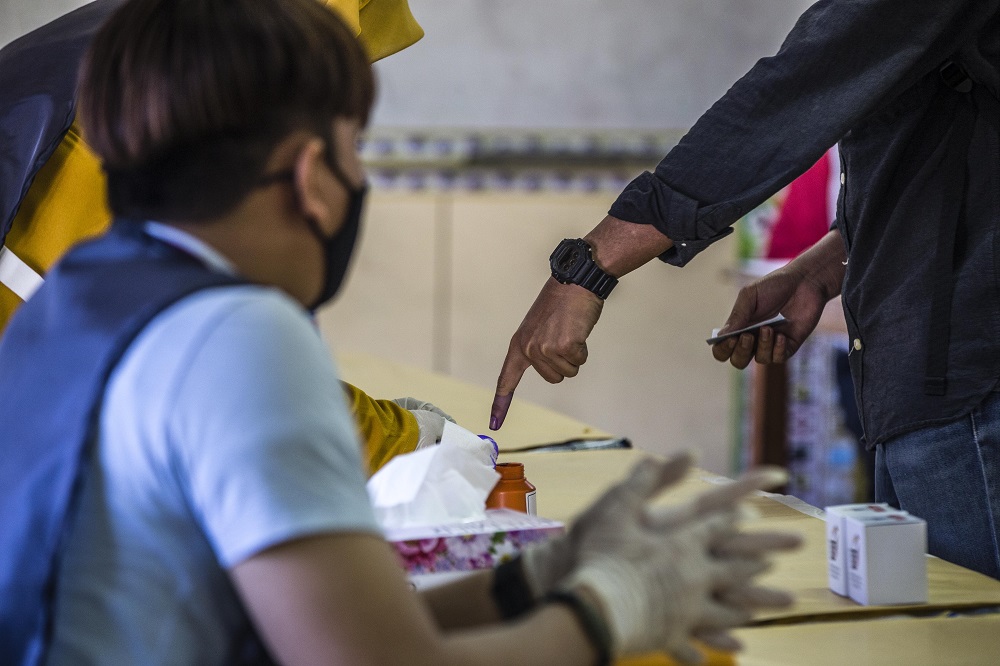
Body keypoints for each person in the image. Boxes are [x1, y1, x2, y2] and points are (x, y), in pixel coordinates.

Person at [0, 0, 800, 663]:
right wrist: (609, 608)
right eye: (355, 149)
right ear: (311, 177)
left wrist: (529, 582)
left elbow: (300, 630)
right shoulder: (233, 336)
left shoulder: (75, 299)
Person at [491, 2, 1000, 578]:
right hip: (927, 365)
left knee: (970, 630)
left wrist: (588, 268)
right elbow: (954, 139)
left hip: (969, 374)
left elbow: (799, 89)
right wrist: (822, 265)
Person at [0, 0, 462, 475]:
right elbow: (246, 390)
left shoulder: (126, 54)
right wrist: (406, 443)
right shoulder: (187, 120)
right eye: (345, 144)